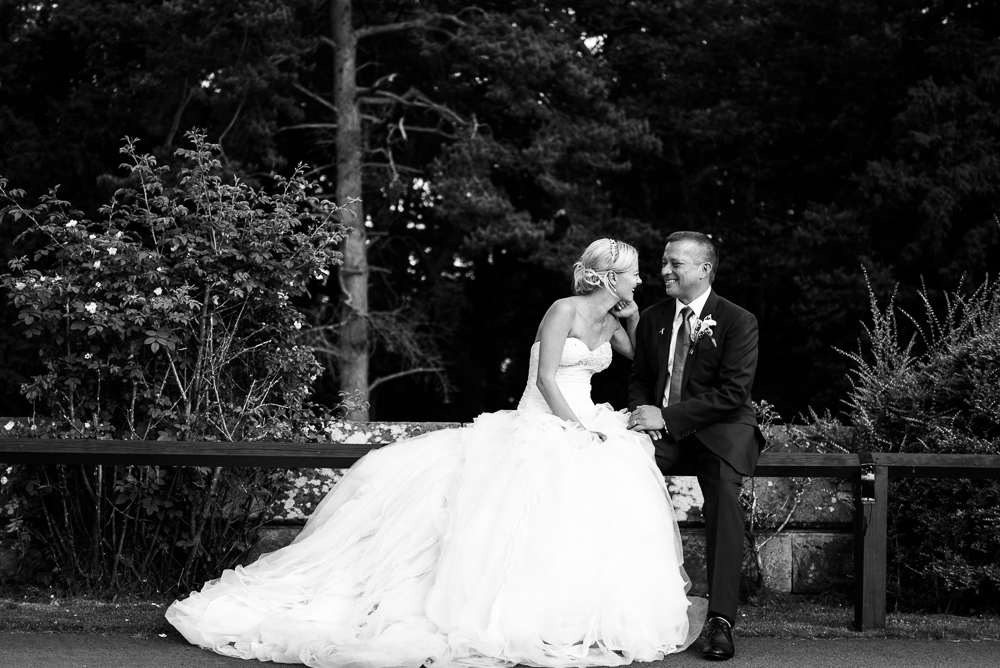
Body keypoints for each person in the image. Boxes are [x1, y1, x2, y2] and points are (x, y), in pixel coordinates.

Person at [167, 238, 706, 668]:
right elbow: (543, 378)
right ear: (610, 277)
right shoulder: (561, 309)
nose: (642, 278)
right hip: (543, 418)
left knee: (596, 502)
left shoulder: (613, 320)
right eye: (634, 271)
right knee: (516, 510)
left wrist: (632, 316)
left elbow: (637, 363)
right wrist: (573, 429)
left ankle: (573, 612)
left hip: (587, 416)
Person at [626, 231, 765, 661]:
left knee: (724, 493)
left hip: (719, 430)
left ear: (704, 270)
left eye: (675, 264)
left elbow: (733, 393)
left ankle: (720, 621)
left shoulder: (739, 321)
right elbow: (640, 380)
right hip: (664, 434)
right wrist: (644, 416)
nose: (664, 270)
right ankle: (632, 608)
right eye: (663, 262)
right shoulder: (652, 318)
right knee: (620, 470)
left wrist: (665, 417)